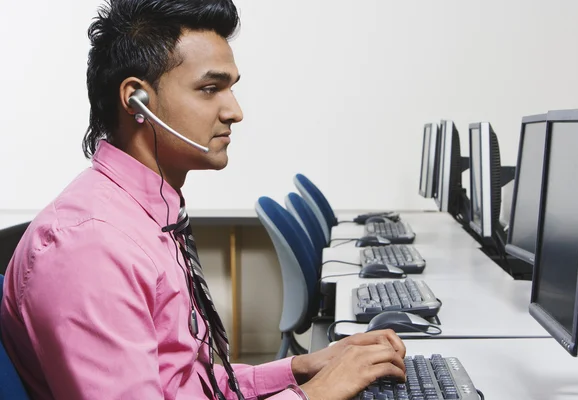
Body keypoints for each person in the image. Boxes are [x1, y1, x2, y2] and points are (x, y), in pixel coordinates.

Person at [0, 1, 407, 399]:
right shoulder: (92, 247)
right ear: (136, 101)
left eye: (230, 88)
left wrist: (299, 369)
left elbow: (185, 384)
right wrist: (315, 395)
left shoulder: (149, 214)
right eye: (210, 89)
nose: (235, 111)